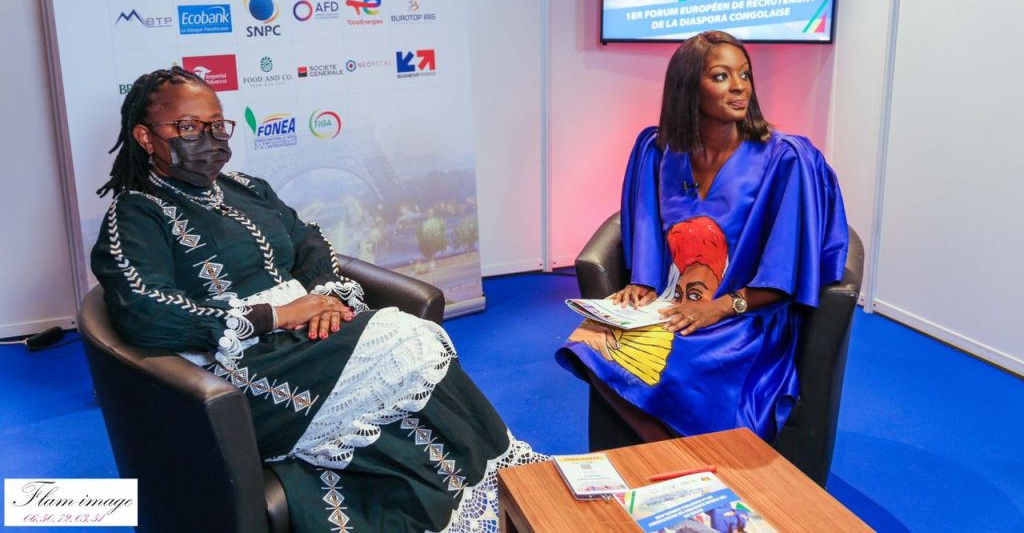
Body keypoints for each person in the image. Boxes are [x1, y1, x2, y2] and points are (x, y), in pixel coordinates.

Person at [91, 67, 542, 533]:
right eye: (188, 127)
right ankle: (511, 488)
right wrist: (276, 315)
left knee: (410, 382)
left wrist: (325, 296)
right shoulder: (136, 213)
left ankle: (481, 499)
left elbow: (309, 241)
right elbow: (145, 310)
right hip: (245, 363)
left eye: (217, 125)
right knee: (408, 338)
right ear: (145, 137)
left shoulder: (247, 188)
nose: (208, 139)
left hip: (304, 340)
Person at [557, 30, 848, 445]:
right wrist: (641, 283)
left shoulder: (787, 159)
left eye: (744, 74)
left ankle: (692, 459)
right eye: (721, 76)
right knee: (589, 341)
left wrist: (718, 308)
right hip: (675, 304)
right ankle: (686, 458)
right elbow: (645, 223)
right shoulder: (656, 150)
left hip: (744, 317)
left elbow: (787, 267)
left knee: (672, 360)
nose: (739, 87)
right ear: (689, 88)